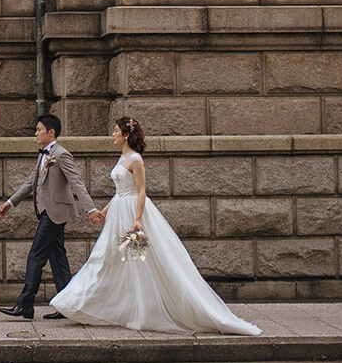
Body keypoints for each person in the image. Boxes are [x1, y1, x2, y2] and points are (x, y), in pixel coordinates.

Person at [49, 116, 262, 335]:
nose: (112, 135)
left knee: (137, 260)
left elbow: (141, 191)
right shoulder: (122, 158)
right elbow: (120, 190)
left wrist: (138, 218)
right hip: (118, 213)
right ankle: (79, 302)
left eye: (115, 131)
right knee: (106, 257)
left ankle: (146, 309)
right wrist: (104, 210)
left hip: (132, 213)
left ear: (126, 135)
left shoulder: (135, 160)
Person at [0, 114, 103, 320]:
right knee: (57, 258)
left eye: (39, 129)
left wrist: (90, 209)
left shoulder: (61, 154)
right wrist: (10, 202)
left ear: (51, 132)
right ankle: (67, 306)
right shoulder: (43, 155)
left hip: (55, 214)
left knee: (36, 254)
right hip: (47, 212)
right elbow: (30, 183)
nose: (36, 133)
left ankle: (25, 303)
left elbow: (76, 182)